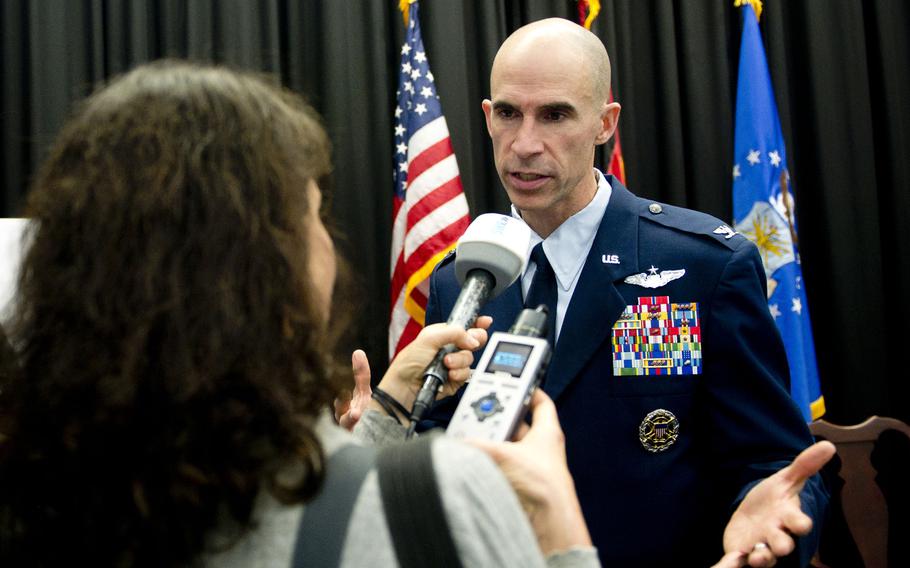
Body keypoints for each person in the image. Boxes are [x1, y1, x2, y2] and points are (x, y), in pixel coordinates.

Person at [0, 61, 600, 567]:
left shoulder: (40, 499)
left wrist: (386, 409)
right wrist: (560, 525)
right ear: (263, 270)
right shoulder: (444, 499)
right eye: (314, 212)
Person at [419, 18, 830, 568]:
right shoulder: (461, 279)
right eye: (510, 114)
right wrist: (383, 437)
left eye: (556, 114)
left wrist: (772, 532)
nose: (525, 144)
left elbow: (777, 466)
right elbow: (441, 448)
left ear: (604, 124)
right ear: (488, 117)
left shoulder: (702, 266)